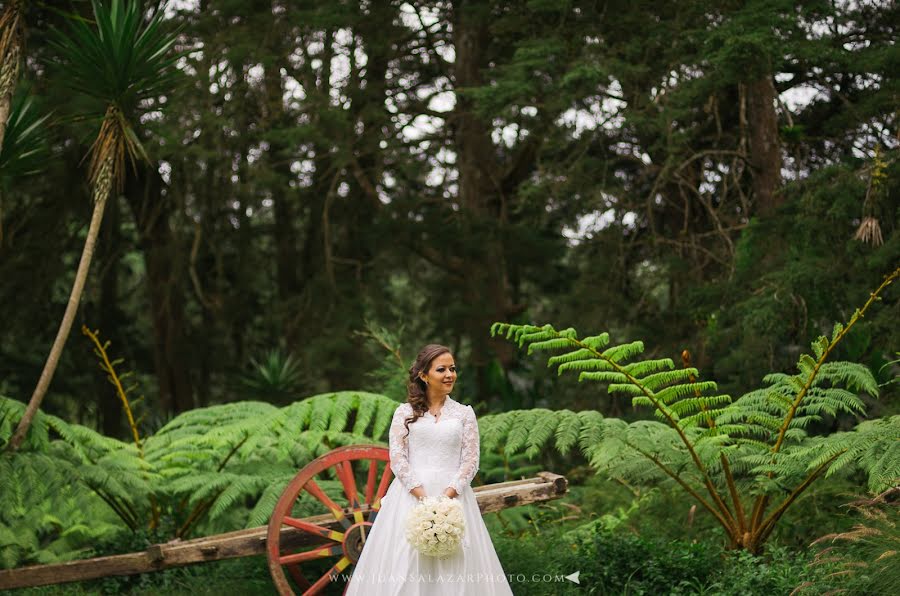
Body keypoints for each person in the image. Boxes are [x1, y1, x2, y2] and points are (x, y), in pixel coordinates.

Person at [345, 344, 513, 595]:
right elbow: (398, 458)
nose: (450, 375)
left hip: (454, 498)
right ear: (424, 375)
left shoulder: (464, 414)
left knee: (457, 565)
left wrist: (446, 499)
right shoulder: (404, 413)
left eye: (453, 369)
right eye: (442, 369)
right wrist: (422, 498)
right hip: (410, 495)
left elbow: (471, 460)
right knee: (406, 563)